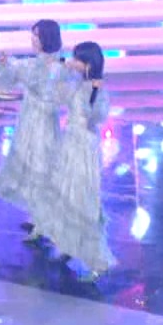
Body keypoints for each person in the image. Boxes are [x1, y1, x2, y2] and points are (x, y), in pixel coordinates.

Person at [30, 41, 114, 282]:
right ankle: (68, 246)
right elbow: (55, 96)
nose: (72, 62)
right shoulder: (77, 84)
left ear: (87, 64)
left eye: (77, 59)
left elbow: (95, 118)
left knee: (82, 201)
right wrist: (59, 72)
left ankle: (98, 261)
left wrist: (94, 93)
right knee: (66, 197)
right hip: (70, 145)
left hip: (84, 149)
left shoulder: (97, 89)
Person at [0, 19, 67, 238]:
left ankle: (45, 222)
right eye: (32, 34)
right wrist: (5, 64)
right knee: (29, 165)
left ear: (46, 38)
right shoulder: (34, 64)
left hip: (44, 123)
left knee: (41, 166)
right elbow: (14, 73)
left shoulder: (56, 67)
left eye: (36, 35)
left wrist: (12, 68)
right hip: (28, 120)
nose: (33, 39)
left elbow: (54, 94)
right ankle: (37, 217)